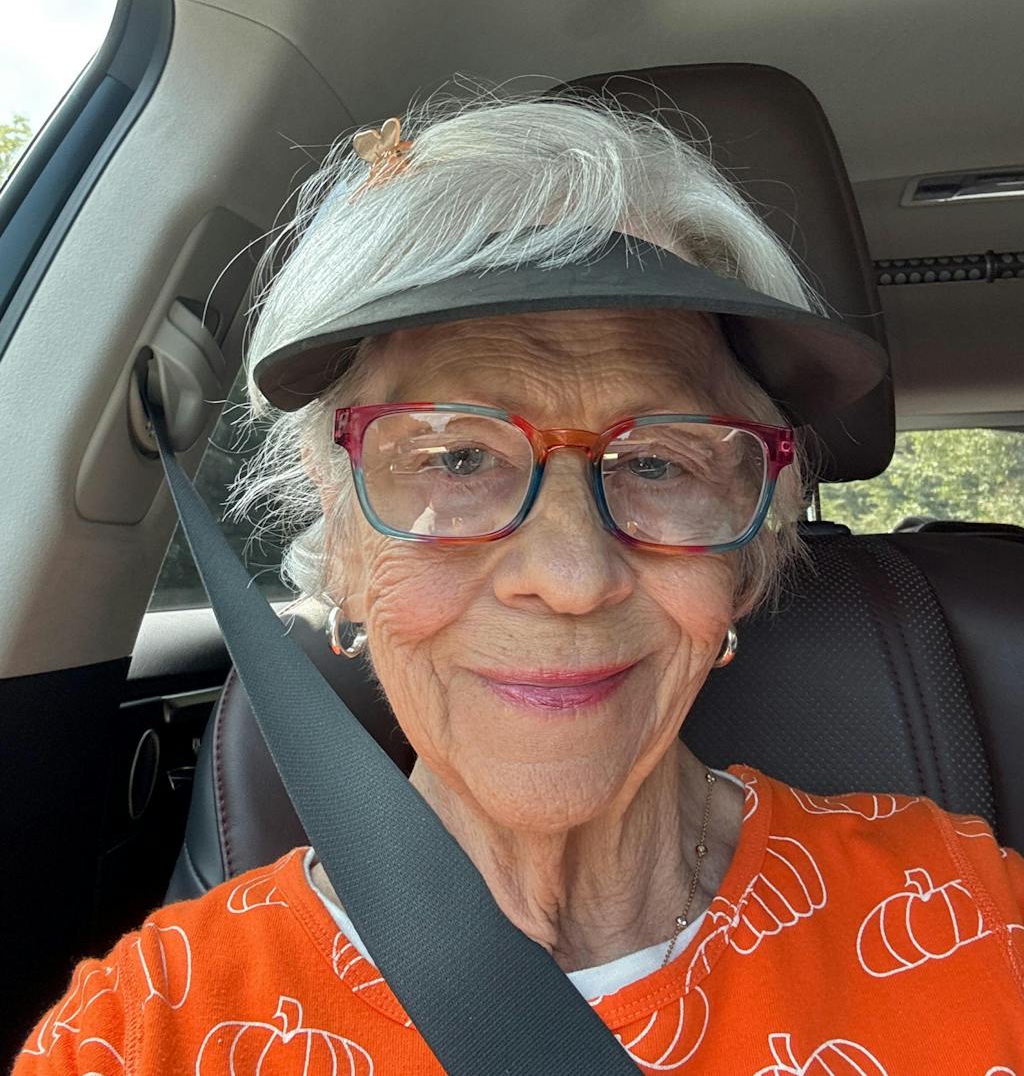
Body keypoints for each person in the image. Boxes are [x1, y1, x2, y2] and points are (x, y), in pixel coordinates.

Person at [16, 94, 1024, 1073]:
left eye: (659, 462)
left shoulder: (974, 918)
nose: (572, 577)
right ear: (341, 528)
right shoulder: (149, 1032)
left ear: (744, 557)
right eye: (457, 458)